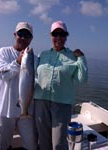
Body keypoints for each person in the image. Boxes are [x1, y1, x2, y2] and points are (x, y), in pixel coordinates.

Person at [33, 21, 88, 150]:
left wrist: (82, 58)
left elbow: (82, 79)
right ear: (50, 36)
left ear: (66, 36)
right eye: (55, 34)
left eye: (62, 34)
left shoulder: (73, 56)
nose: (58, 37)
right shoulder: (43, 54)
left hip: (62, 104)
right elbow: (33, 74)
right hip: (41, 102)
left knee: (59, 143)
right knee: (43, 140)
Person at [0, 22, 37, 150]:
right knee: (1, 145)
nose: (23, 38)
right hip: (4, 110)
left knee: (31, 145)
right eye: (21, 34)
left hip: (25, 110)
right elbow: (4, 75)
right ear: (15, 35)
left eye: (27, 35)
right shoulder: (3, 52)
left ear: (31, 39)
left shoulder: (34, 58)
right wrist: (18, 63)